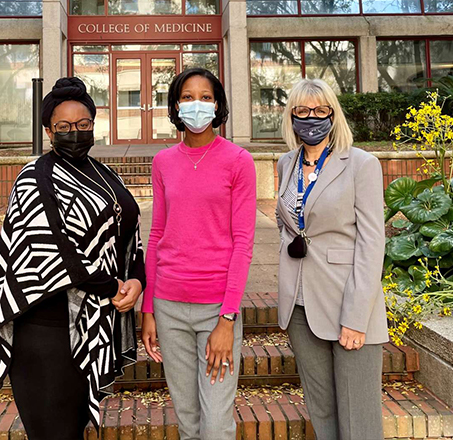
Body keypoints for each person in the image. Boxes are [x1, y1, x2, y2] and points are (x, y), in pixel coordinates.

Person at [0, 77, 145, 439]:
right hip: (46, 332)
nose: (75, 133)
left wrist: (136, 279)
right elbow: (55, 249)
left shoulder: (104, 173)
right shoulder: (35, 177)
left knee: (73, 427)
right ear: (49, 131)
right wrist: (111, 285)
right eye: (64, 127)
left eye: (83, 125)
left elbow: (128, 232)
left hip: (91, 321)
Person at [141, 67, 257, 440]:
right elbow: (157, 233)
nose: (196, 105)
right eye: (187, 97)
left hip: (215, 309)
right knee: (188, 417)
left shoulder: (238, 161)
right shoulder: (163, 162)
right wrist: (148, 311)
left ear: (218, 105)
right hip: (168, 306)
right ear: (176, 106)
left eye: (205, 98)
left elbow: (243, 242)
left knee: (217, 420)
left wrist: (227, 318)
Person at [275, 78, 388, 440]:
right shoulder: (285, 163)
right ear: (291, 116)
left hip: (348, 303)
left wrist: (357, 317)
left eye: (321, 110)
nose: (312, 118)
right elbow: (286, 220)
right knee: (322, 412)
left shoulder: (361, 164)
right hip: (299, 305)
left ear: (333, 114)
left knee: (359, 420)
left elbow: (372, 243)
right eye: (303, 111)